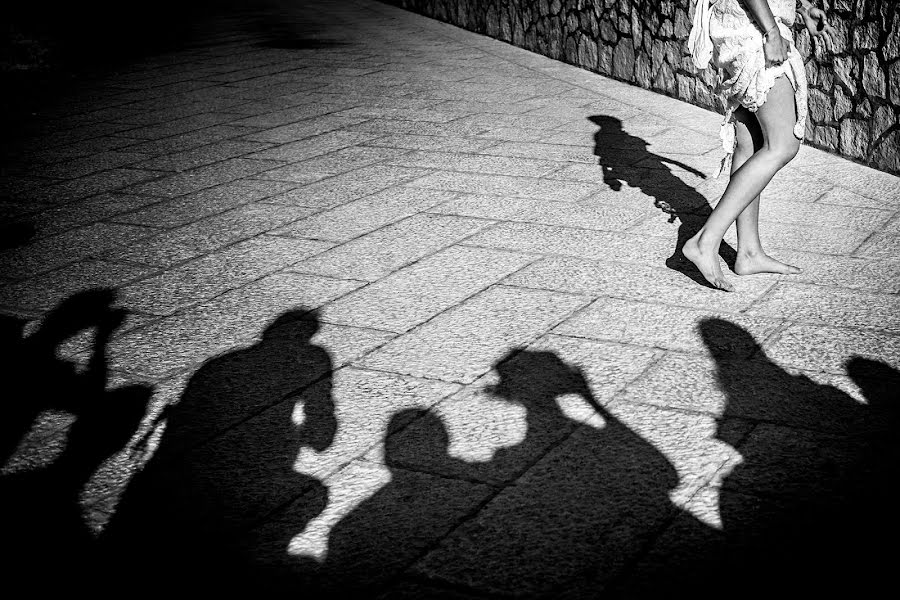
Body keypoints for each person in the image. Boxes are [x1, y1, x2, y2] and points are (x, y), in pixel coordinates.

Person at [684, 0, 833, 291]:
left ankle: (749, 252)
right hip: (752, 28)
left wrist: (800, 7)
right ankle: (706, 241)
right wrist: (772, 31)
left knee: (749, 141)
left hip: (737, 23)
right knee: (783, 144)